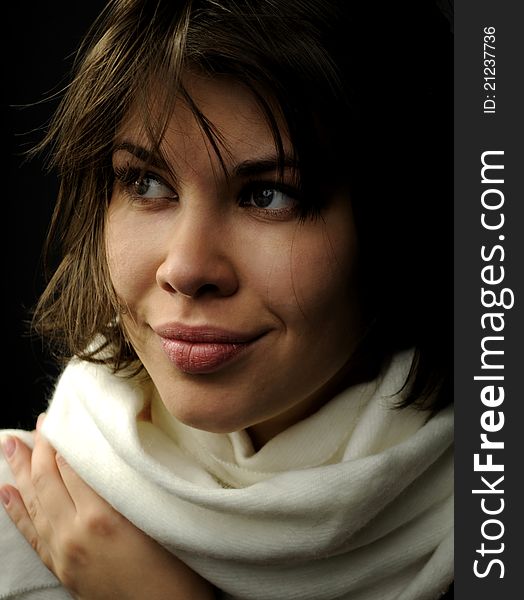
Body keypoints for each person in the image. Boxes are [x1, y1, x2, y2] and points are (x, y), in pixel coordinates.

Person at [0, 0, 454, 598]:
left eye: (269, 195)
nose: (187, 269)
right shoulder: (27, 516)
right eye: (146, 183)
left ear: (399, 222)